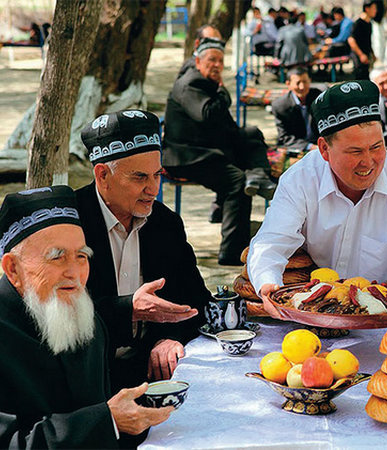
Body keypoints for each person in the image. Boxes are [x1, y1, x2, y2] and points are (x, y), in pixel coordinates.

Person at [247, 80, 387, 326]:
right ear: (324, 149)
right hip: (315, 308)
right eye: (355, 152)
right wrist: (267, 283)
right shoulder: (301, 179)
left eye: (376, 147)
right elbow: (271, 241)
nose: (368, 162)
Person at [0, 186, 172, 448]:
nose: (74, 272)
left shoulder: (84, 317)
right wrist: (109, 421)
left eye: (81, 256)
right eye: (57, 257)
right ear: (13, 268)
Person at [77, 110, 210, 396]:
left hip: (147, 375)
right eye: (139, 177)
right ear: (102, 175)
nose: (153, 190)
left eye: (157, 175)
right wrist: (129, 309)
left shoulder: (165, 222)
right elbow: (55, 316)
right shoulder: (71, 224)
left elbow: (195, 300)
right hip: (84, 381)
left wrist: (170, 338)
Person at [163, 38, 276, 265]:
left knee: (251, 132)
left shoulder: (204, 82)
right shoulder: (190, 84)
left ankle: (259, 176)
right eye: (211, 60)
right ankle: (231, 252)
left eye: (220, 61)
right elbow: (208, 114)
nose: (216, 65)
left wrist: (242, 137)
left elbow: (225, 125)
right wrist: (223, 91)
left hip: (205, 148)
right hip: (187, 155)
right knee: (236, 182)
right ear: (198, 61)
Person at [271, 66, 322, 152]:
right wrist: (310, 147)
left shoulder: (319, 98)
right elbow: (284, 137)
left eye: (305, 82)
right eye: (297, 83)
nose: (302, 87)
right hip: (297, 147)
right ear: (288, 84)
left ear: (310, 80)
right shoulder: (280, 106)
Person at [348, 1, 377, 80]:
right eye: (374, 8)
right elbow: (351, 40)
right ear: (367, 9)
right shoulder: (358, 23)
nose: (375, 11)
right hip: (358, 57)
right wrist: (361, 55)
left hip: (366, 56)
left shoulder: (369, 24)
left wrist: (373, 54)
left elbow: (368, 41)